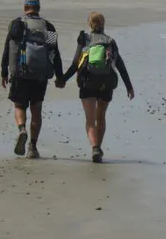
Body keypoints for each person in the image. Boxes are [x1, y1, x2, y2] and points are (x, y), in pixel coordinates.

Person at [57, 11, 134, 163]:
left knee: (90, 119)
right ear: (103, 24)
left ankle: (95, 148)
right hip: (107, 82)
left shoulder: (85, 39)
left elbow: (75, 64)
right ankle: (98, 145)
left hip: (88, 81)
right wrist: (129, 87)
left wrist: (62, 79)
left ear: (90, 24)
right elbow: (120, 65)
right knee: (101, 117)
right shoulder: (110, 41)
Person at [0, 0, 64, 159]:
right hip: (40, 75)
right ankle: (32, 147)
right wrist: (59, 76)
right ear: (38, 8)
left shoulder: (17, 24)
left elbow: (8, 49)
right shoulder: (48, 27)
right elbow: (54, 53)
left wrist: (4, 72)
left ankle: (21, 128)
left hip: (20, 73)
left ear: (25, 7)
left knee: (20, 105)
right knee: (36, 110)